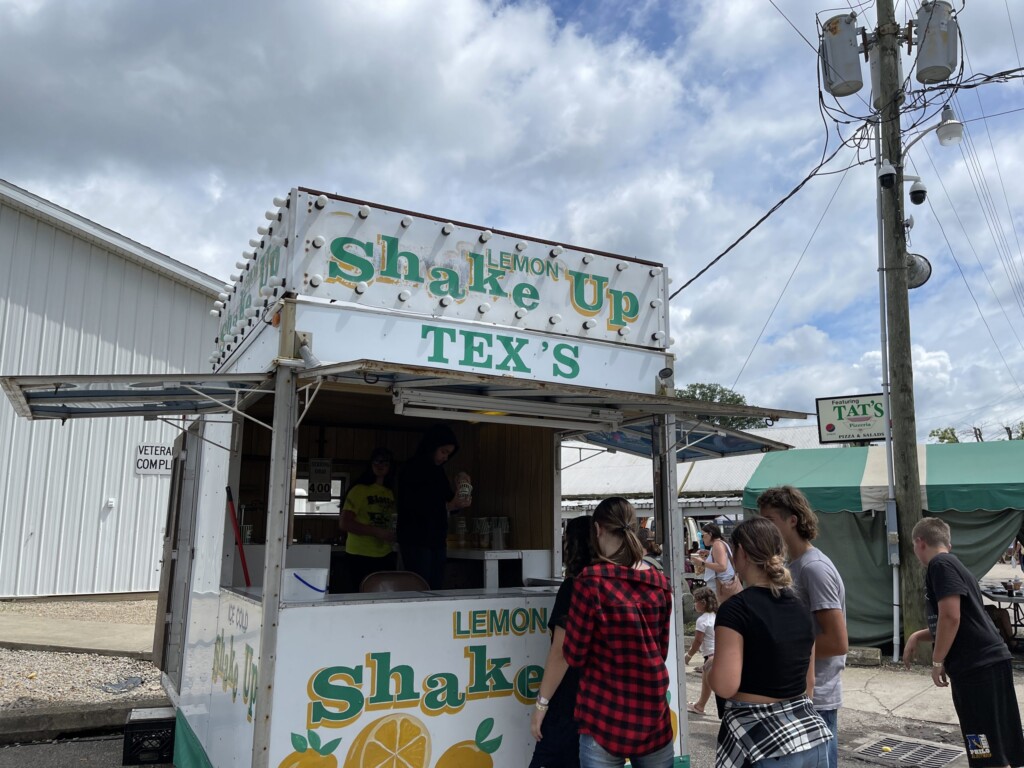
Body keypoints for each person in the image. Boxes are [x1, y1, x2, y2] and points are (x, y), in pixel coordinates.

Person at [709, 517, 832, 768]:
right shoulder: (800, 606)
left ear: (741, 553)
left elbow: (724, 686)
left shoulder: (735, 610)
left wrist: (710, 667)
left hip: (761, 742)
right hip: (810, 735)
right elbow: (809, 684)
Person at [903, 517, 1024, 768]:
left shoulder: (940, 565)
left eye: (914, 547)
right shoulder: (955, 564)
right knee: (995, 744)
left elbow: (951, 616)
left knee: (981, 745)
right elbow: (962, 619)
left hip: (976, 668)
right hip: (989, 663)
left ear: (919, 542)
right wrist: (917, 636)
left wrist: (937, 661)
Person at [563, 497, 675, 768]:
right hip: (652, 713)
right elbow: (661, 650)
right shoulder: (660, 583)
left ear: (598, 529)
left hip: (604, 713)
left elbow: (574, 656)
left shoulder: (591, 583)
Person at [757, 485, 848, 768]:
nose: (765, 529)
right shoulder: (793, 566)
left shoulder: (813, 568)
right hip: (797, 693)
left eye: (770, 521)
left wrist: (779, 652)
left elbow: (837, 641)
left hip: (817, 698)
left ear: (792, 520)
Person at [529, 515, 595, 768]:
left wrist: (541, 705)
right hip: (598, 700)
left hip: (568, 701)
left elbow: (561, 652)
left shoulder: (574, 587)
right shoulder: (608, 583)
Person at [396, 424, 471, 589]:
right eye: (443, 452)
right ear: (432, 447)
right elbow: (413, 504)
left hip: (436, 539)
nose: (445, 457)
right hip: (415, 539)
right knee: (420, 586)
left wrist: (460, 493)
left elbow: (447, 500)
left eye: (448, 454)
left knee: (436, 587)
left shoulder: (438, 472)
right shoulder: (411, 469)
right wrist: (449, 506)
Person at [339, 447, 398, 591]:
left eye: (385, 462)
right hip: (360, 555)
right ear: (370, 464)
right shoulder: (359, 490)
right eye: (376, 462)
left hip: (386, 553)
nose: (380, 465)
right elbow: (345, 523)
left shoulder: (392, 492)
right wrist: (377, 532)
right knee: (362, 597)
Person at [684, 586, 717, 717]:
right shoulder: (715, 616)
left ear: (702, 603)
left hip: (710, 656)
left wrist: (689, 655)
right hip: (718, 654)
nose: (694, 604)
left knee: (708, 683)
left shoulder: (702, 621)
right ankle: (700, 705)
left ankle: (700, 705)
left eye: (695, 601)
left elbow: (697, 641)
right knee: (706, 682)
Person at [691, 523, 741, 604]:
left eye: (703, 535)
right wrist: (708, 553)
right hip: (723, 584)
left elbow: (722, 566)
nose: (702, 538)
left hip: (721, 586)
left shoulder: (717, 544)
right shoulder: (720, 543)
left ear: (710, 534)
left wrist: (702, 563)